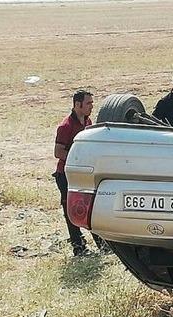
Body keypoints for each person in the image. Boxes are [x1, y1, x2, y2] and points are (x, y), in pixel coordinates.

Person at [53, 90, 109, 256]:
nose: (92, 106)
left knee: (89, 208)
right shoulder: (66, 126)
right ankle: (78, 247)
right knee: (72, 211)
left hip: (83, 173)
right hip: (66, 174)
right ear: (78, 105)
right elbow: (58, 152)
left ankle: (101, 244)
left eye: (92, 103)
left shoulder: (87, 122)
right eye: (88, 103)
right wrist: (77, 159)